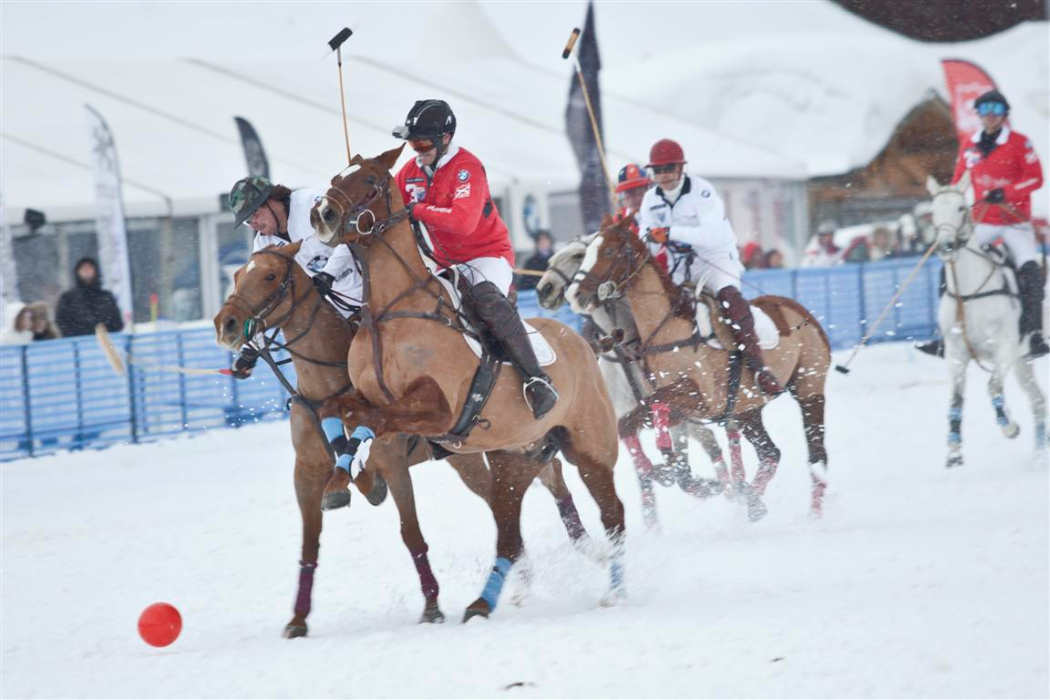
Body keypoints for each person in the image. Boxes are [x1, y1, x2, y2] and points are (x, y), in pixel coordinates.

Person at [393, 99, 558, 418]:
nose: (417, 150)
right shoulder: (410, 172)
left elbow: (462, 222)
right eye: (413, 143)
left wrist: (416, 211)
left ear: (445, 138)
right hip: (442, 263)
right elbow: (390, 203)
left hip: (486, 256)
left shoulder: (467, 168)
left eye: (423, 142)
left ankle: (537, 379)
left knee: (485, 299)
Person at [637, 138, 782, 395]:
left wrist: (669, 233)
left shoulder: (702, 191)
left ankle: (759, 368)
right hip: (679, 265)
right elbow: (645, 234)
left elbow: (712, 235)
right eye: (657, 170)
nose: (664, 176)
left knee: (729, 299)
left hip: (715, 259)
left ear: (681, 168)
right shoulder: (650, 199)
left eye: (669, 168)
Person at [917, 89, 1047, 358]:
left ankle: (1034, 334)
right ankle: (944, 336)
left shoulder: (1019, 143)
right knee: (950, 265)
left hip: (1015, 222)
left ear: (1004, 114)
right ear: (978, 114)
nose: (990, 115)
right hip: (983, 221)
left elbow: (1036, 178)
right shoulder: (970, 145)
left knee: (1030, 271)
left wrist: (1007, 192)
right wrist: (948, 202)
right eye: (985, 109)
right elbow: (958, 181)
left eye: (996, 110)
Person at [226, 175, 365, 378]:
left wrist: (328, 275)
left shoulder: (310, 202)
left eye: (254, 214)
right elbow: (264, 297)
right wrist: (250, 350)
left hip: (373, 288)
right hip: (339, 311)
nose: (253, 223)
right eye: (248, 221)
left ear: (271, 201)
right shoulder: (264, 245)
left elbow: (348, 237)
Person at [55, 257, 124, 337]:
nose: (87, 271)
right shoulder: (68, 298)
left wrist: (104, 336)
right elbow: (61, 322)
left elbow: (117, 323)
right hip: (76, 345)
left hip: (105, 344)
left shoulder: (106, 297)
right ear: (77, 272)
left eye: (89, 268)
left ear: (96, 271)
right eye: (83, 268)